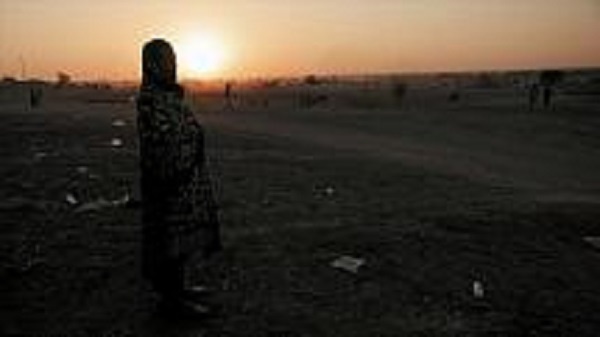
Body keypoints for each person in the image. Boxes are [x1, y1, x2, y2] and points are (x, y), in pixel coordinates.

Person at [136, 39, 221, 316]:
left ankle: (180, 289)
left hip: (184, 184)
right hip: (167, 186)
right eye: (164, 60)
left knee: (181, 241)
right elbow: (159, 143)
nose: (171, 65)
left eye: (173, 59)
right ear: (152, 64)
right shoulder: (150, 99)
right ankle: (171, 302)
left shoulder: (169, 94)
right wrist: (181, 158)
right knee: (167, 242)